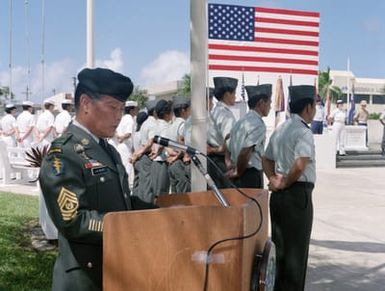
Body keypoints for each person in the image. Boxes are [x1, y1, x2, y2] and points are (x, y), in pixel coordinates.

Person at [38, 67, 157, 291]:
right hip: (86, 277)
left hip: (115, 267)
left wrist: (160, 211)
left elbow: (121, 201)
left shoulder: (106, 149)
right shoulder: (64, 155)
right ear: (85, 103)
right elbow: (73, 220)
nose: (119, 115)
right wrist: (130, 226)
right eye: (112, 107)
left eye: (122, 109)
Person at [262, 85, 316, 291]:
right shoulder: (303, 132)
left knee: (281, 251)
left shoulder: (281, 128)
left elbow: (266, 158)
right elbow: (301, 163)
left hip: (279, 197)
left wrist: (273, 179)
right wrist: (284, 182)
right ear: (308, 107)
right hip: (296, 196)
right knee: (296, 255)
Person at [227, 84, 272, 188]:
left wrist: (230, 164)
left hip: (238, 172)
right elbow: (245, 152)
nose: (270, 107)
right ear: (261, 103)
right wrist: (238, 171)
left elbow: (227, 144)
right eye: (269, 103)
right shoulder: (257, 124)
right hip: (249, 175)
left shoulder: (241, 121)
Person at [207, 77, 237, 189]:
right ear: (227, 94)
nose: (235, 96)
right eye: (234, 93)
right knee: (226, 199)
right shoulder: (224, 114)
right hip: (222, 162)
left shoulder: (214, 111)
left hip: (213, 161)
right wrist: (229, 162)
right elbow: (228, 142)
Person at [167, 96, 191, 193]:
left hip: (172, 164)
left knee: (175, 195)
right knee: (185, 194)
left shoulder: (171, 125)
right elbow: (183, 146)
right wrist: (176, 157)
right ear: (183, 110)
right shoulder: (182, 124)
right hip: (180, 164)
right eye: (189, 109)